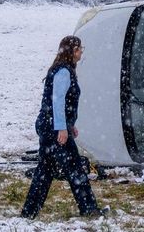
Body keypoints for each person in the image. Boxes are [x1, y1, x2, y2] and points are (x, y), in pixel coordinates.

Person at [21, 36, 104, 219]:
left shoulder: (61, 70)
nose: (81, 51)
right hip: (53, 128)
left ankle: (29, 212)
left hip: (49, 126)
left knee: (44, 171)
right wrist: (61, 128)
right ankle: (89, 209)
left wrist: (69, 125)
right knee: (74, 168)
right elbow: (58, 101)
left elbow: (61, 103)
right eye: (79, 48)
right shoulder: (64, 72)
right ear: (72, 51)